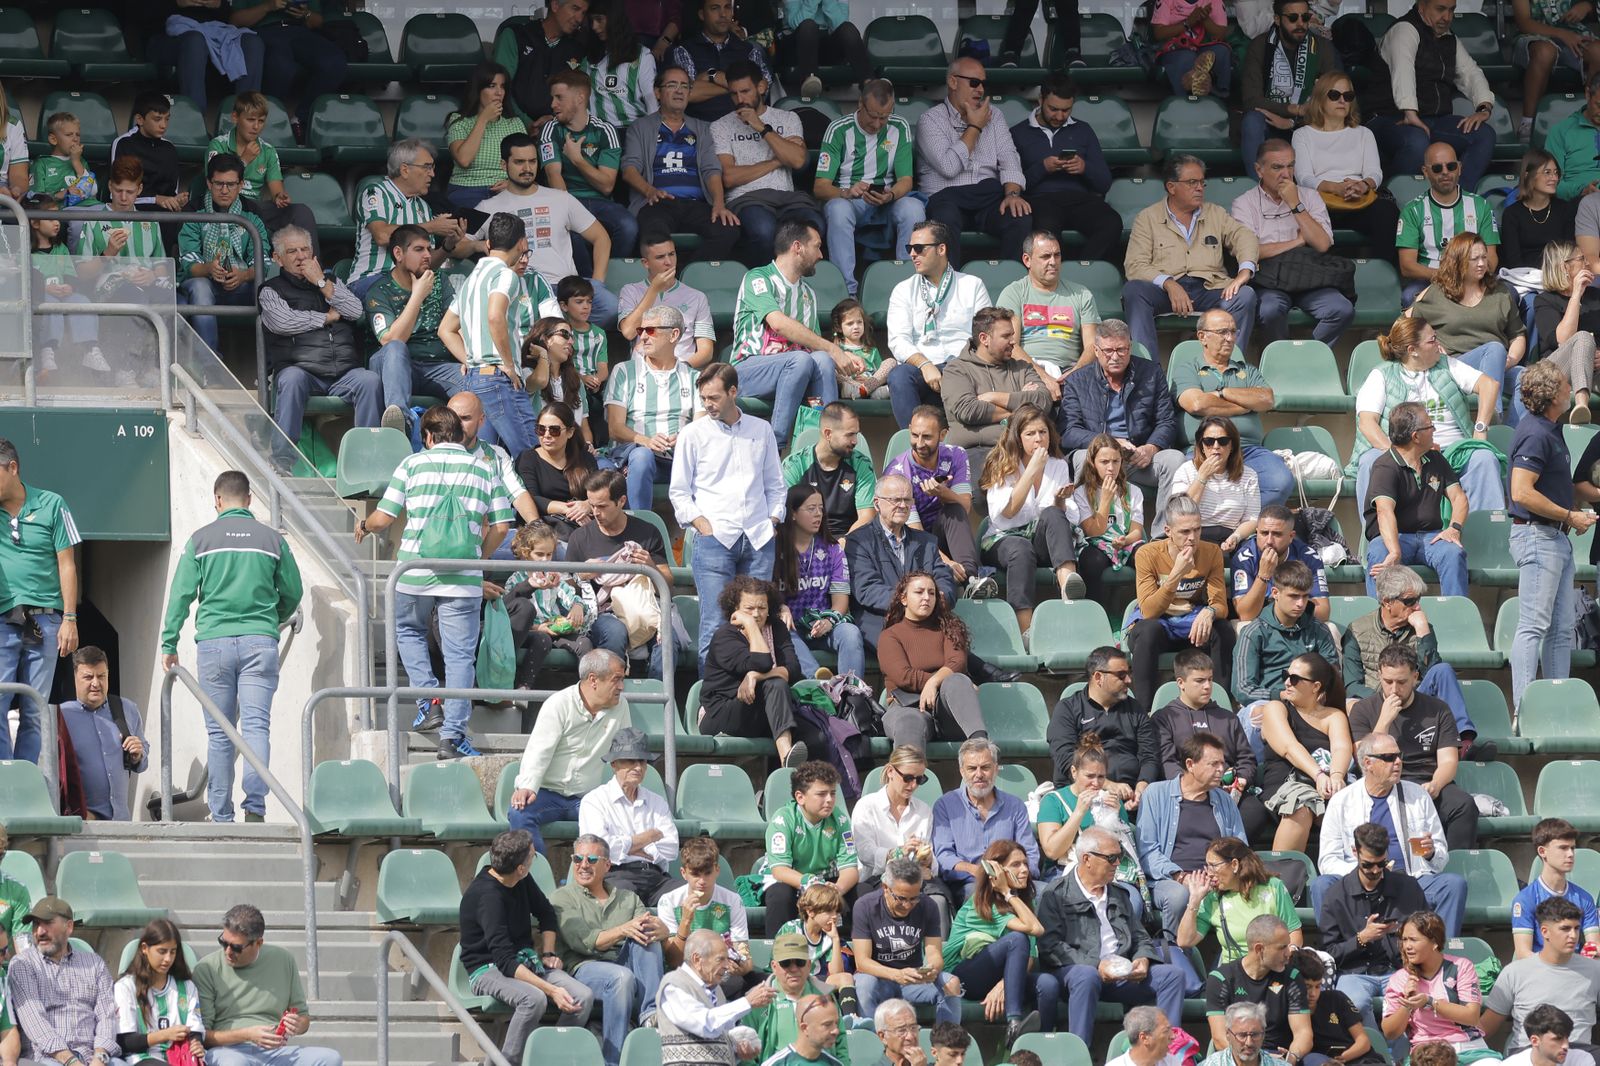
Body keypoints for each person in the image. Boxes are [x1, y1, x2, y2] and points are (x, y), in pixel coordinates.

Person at [356, 405, 513, 760]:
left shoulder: (411, 464)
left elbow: (383, 518)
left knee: (408, 633)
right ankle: (453, 736)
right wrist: (479, 558)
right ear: (459, 433)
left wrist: (364, 527)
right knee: (460, 658)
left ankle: (430, 702)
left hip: (413, 573)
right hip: (462, 579)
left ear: (427, 436)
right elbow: (502, 526)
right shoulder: (486, 468)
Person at [160, 470, 301, 823]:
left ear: (218, 500)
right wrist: (272, 619)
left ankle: (221, 815)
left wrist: (169, 641)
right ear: (250, 499)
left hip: (214, 645)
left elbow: (181, 595)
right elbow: (293, 592)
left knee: (220, 732)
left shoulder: (201, 540)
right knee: (256, 727)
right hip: (260, 642)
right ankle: (255, 808)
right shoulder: (272, 540)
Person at [670, 363, 786, 660]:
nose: (707, 404)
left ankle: (755, 699)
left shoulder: (762, 429)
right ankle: (711, 703)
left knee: (760, 625)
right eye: (704, 398)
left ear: (733, 392)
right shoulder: (692, 434)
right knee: (715, 625)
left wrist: (772, 520)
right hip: (715, 540)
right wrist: (703, 525)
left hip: (759, 540)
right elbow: (679, 493)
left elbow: (775, 485)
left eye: (714, 397)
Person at [1037, 826, 1187, 1045]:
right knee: (1086, 976)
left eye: (1120, 857)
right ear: (1087, 859)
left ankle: (1168, 1052)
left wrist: (1143, 958)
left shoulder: (1118, 893)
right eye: (1111, 858)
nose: (1117, 863)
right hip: (1075, 974)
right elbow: (1050, 946)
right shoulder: (1056, 893)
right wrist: (1097, 965)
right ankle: (1079, 1055)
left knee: (1173, 976)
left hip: (1120, 973)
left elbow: (1140, 937)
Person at [460, 829, 594, 1066]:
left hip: (524, 961)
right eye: (533, 855)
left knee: (582, 996)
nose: (536, 857)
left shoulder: (520, 879)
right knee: (534, 999)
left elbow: (546, 913)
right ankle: (503, 1063)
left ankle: (550, 1059)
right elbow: (505, 961)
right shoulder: (487, 897)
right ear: (520, 868)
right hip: (486, 969)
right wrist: (551, 990)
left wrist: (548, 952)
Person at [259, 226, 390, 468]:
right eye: (292, 251)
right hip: (302, 370)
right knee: (290, 379)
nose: (300, 256)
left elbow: (355, 311)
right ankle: (281, 461)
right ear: (278, 258)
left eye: (304, 249)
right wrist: (325, 318)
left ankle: (366, 464)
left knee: (370, 381)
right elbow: (283, 322)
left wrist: (321, 283)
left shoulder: (330, 281)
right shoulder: (271, 289)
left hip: (343, 372)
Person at [1510, 361, 1599, 710]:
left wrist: (1572, 517)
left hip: (1556, 537)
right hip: (1538, 536)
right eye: (1566, 383)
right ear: (1552, 395)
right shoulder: (1534, 432)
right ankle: (1524, 707)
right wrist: (1568, 514)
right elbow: (1521, 492)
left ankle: (1555, 705)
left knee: (1562, 629)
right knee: (1533, 626)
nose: (1571, 388)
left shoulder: (1551, 429)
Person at [1315, 733, 1467, 937]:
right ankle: (1341, 954)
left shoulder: (1418, 796)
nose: (1398, 762)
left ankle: (1439, 959)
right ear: (1367, 763)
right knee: (1321, 885)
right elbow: (1327, 860)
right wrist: (1363, 871)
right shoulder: (1342, 801)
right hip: (1360, 883)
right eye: (1389, 757)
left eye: (1399, 755)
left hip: (1409, 880)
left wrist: (1431, 853)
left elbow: (1440, 857)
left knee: (1453, 885)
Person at [1353, 318, 1504, 515]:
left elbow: (1489, 385)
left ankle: (1486, 538)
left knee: (1484, 458)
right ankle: (1378, 538)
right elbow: (1367, 423)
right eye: (1432, 340)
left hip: (1453, 450)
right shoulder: (1381, 375)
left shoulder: (1446, 365)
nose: (1438, 345)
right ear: (1412, 350)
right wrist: (1398, 454)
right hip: (1405, 452)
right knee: (1370, 461)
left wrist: (1480, 429)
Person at [1122, 154, 1260, 362]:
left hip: (1210, 289)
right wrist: (1168, 283)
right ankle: (1148, 374)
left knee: (1245, 295)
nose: (1200, 188)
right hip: (1165, 293)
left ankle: (1229, 368)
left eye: (1202, 182)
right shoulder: (1147, 218)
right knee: (1133, 291)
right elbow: (1134, 265)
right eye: (1192, 182)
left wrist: (1244, 272)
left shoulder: (1215, 213)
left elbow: (1245, 237)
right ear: (1171, 187)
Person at [729, 219, 852, 451]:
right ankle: (776, 446)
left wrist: (844, 362)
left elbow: (818, 350)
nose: (821, 255)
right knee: (803, 359)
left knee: (822, 360)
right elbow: (778, 324)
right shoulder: (758, 278)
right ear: (798, 247)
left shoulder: (808, 294)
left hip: (796, 373)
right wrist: (833, 348)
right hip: (747, 370)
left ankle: (829, 446)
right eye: (816, 246)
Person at [475, 137, 617, 332]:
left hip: (566, 287)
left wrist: (597, 283)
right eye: (519, 162)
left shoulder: (561, 198)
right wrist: (481, 245)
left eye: (532, 161)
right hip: (523, 288)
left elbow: (601, 237)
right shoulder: (488, 207)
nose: (527, 168)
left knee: (610, 307)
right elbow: (459, 246)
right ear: (503, 164)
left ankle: (564, 337)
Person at [1059, 321, 1186, 538]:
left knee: (1175, 460)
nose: (1115, 356)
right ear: (1096, 351)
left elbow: (1166, 421)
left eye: (1121, 350)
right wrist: (1109, 442)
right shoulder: (1078, 381)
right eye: (1108, 351)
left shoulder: (1151, 373)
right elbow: (1069, 432)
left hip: (1137, 458)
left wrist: (1151, 447)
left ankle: (1163, 538)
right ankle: (1086, 534)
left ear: (1130, 347)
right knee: (1081, 457)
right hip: (1098, 459)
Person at [551, 835, 669, 1066]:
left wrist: (663, 930)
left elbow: (650, 930)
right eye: (578, 858)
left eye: (592, 859)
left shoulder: (628, 898)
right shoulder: (561, 897)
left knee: (648, 939)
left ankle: (650, 1016)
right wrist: (624, 929)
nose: (583, 865)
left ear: (608, 865)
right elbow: (585, 942)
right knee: (620, 978)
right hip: (584, 967)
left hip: (623, 962)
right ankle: (613, 1061)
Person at [1348, 645, 1478, 851]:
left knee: (1463, 804)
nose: (1393, 689)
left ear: (1415, 677)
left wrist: (1435, 784)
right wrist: (1384, 721)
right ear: (1379, 675)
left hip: (1426, 782)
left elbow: (1448, 761)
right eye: (1387, 681)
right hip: (1384, 783)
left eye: (1401, 682)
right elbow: (1364, 761)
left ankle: (1456, 867)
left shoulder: (1438, 709)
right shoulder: (1363, 710)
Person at [1342, 567, 1479, 750]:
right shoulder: (1358, 629)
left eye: (1418, 600)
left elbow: (1433, 673)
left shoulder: (1422, 627)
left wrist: (1423, 632)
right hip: (1377, 703)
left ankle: (1463, 743)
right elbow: (1352, 685)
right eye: (1410, 601)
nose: (1417, 607)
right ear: (1387, 602)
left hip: (1414, 697)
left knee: (1443, 670)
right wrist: (1386, 697)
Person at [1232, 140, 1353, 347]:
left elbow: (1322, 244)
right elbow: (1251, 252)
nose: (1286, 174)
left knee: (1342, 309)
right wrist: (1298, 241)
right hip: (1270, 280)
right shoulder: (1244, 204)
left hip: (1309, 277)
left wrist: (1295, 204)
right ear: (1259, 170)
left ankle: (1305, 360)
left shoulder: (1310, 197)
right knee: (1269, 310)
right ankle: (1278, 360)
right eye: (1277, 167)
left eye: (1290, 166)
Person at [979, 404, 1088, 631]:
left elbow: (1070, 515)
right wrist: (1030, 471)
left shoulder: (1058, 465)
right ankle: (1024, 630)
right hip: (1003, 540)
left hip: (1041, 541)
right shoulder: (1001, 463)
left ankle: (1069, 586)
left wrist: (1059, 500)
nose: (1038, 439)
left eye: (1043, 432)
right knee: (1020, 548)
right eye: (1030, 434)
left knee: (1053, 513)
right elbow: (1007, 512)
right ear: (1018, 438)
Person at [915, 56, 1032, 267]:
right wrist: (975, 127)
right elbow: (949, 167)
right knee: (944, 220)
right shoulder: (930, 119)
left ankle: (1006, 288)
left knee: (1019, 217)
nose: (980, 90)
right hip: (947, 197)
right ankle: (950, 291)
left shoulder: (994, 115)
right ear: (953, 82)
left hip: (986, 197)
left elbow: (1009, 158)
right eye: (974, 83)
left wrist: (1013, 194)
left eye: (983, 84)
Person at [619, 64, 741, 262]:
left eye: (685, 86)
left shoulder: (702, 128)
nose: (679, 91)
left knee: (728, 230)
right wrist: (650, 191)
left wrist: (719, 205)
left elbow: (712, 169)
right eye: (672, 85)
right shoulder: (640, 127)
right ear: (657, 93)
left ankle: (685, 276)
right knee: (655, 236)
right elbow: (629, 169)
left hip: (696, 204)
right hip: (657, 203)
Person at [507, 649, 626, 852]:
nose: (622, 687)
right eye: (617, 680)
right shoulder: (558, 703)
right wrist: (527, 786)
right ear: (593, 680)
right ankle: (539, 876)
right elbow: (539, 750)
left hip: (588, 797)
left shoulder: (621, 706)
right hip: (547, 793)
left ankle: (594, 879)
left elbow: (625, 751)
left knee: (620, 818)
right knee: (519, 813)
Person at [1371, 0, 1497, 190]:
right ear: (1421, 7)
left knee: (1484, 135)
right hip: (1389, 118)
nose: (1447, 17)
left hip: (1434, 120)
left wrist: (1484, 106)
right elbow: (1403, 71)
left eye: (1451, 10)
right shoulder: (1404, 29)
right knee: (1416, 142)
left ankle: (1456, 200)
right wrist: (1410, 112)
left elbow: (1471, 73)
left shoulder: (1449, 38)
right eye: (1440, 9)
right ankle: (1396, 198)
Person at [1174, 310, 1294, 508]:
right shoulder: (1188, 368)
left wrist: (1221, 393)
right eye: (1222, 332)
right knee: (1196, 491)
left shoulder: (1247, 370)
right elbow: (1196, 404)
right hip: (1206, 449)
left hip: (1249, 450)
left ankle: (1242, 526)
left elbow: (1266, 399)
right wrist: (1245, 405)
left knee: (1280, 482)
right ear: (1202, 337)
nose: (1230, 338)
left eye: (1233, 332)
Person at [194, 903, 339, 1066]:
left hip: (275, 1052)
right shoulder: (207, 968)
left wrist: (298, 1025)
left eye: (236, 947)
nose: (227, 951)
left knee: (330, 1058)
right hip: (228, 1051)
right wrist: (247, 1035)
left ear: (258, 943)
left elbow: (304, 1018)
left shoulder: (283, 960)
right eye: (223, 942)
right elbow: (203, 1036)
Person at [815, 81, 924, 297]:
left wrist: (890, 194)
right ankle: (846, 293)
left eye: (884, 117)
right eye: (872, 115)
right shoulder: (838, 130)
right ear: (860, 104)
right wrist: (846, 193)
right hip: (849, 200)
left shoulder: (899, 126)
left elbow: (906, 180)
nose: (877, 123)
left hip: (887, 199)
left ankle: (909, 291)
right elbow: (820, 187)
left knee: (913, 207)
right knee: (838, 209)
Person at [1126, 497, 1233, 713]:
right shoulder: (1147, 553)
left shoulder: (1211, 552)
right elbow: (1148, 611)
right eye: (1185, 532)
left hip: (1192, 624)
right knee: (1148, 631)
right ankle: (1143, 712)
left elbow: (1221, 604)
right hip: (1160, 623)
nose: (1192, 538)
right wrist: (1176, 574)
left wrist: (1210, 612)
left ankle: (1221, 708)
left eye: (1197, 530)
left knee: (1223, 629)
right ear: (1168, 530)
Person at [1318, 821, 1430, 1027]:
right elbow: (1329, 953)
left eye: (1381, 863)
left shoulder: (1408, 888)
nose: (1375, 870)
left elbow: (1429, 934)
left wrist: (1406, 939)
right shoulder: (1336, 896)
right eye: (1368, 864)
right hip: (1354, 973)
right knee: (1355, 1006)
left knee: (1407, 1003)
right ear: (1355, 852)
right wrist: (1362, 938)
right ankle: (1377, 1054)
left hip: (1399, 970)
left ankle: (1397, 1056)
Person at [1361, 399, 1474, 601]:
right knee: (1379, 555)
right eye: (1430, 426)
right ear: (1416, 436)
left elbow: (1458, 498)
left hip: (1431, 537)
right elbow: (1384, 512)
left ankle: (1456, 617)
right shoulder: (1385, 466)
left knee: (1453, 553)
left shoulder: (1436, 459)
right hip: (1395, 537)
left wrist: (1454, 528)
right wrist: (1395, 551)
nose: (1434, 429)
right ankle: (1378, 622)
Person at [699, 576, 817, 769]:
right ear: (735, 608)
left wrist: (755, 676)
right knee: (777, 684)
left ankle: (787, 785)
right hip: (721, 713)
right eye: (749, 609)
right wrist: (751, 626)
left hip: (764, 710)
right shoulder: (725, 637)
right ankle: (786, 756)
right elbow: (762, 661)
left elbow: (794, 670)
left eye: (762, 608)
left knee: (816, 737)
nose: (756, 614)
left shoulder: (776, 628)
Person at [1138, 731, 1250, 936]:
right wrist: (1181, 877)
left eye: (1222, 763)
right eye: (1213, 764)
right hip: (1168, 880)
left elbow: (1241, 849)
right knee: (1178, 895)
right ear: (1190, 764)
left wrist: (1222, 876)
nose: (1221, 770)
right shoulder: (1155, 794)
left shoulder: (1225, 801)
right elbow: (1147, 852)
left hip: (1217, 879)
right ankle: (1173, 954)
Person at [884, 221, 994, 427]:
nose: (912, 254)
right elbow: (898, 340)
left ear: (941, 249)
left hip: (963, 365)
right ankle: (916, 446)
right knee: (898, 375)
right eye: (910, 249)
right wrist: (925, 365)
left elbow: (986, 334)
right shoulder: (903, 290)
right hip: (922, 367)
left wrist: (960, 366)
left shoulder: (972, 285)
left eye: (919, 248)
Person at [712, 61, 823, 264]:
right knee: (764, 230)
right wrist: (777, 160)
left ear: (761, 87)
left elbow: (798, 161)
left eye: (745, 91)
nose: (739, 99)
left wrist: (761, 127)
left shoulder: (788, 118)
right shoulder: (720, 126)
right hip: (747, 199)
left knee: (814, 226)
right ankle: (762, 284)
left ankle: (797, 285)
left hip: (788, 198)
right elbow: (729, 177)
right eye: (734, 94)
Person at [1412, 232, 1527, 423]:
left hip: (1498, 365)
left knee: (1526, 379)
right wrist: (1431, 346)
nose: (1482, 263)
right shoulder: (1436, 293)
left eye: (1484, 257)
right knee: (1494, 348)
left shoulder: (1500, 291)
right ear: (1457, 261)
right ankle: (1492, 418)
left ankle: (1510, 441)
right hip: (1455, 366)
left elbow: (1517, 335)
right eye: (1474, 259)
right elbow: (1408, 329)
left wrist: (1511, 359)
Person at [347, 139, 478, 302]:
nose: (432, 174)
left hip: (411, 284)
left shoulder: (423, 207)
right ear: (405, 169)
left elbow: (427, 264)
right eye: (427, 167)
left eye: (433, 167)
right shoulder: (376, 192)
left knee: (459, 297)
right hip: (372, 279)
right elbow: (381, 235)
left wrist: (448, 245)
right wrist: (431, 227)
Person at [1155, 649, 1267, 838]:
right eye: (1199, 681)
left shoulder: (1228, 718)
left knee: (1256, 810)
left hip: (1228, 791)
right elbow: (1167, 763)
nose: (1207, 686)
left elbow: (1246, 759)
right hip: (1187, 794)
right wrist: (1195, 787)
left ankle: (1227, 855)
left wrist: (1241, 781)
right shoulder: (1165, 718)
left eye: (1210, 679)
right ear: (1181, 683)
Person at [366, 226, 467, 433]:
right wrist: (417, 295)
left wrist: (470, 359)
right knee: (395, 348)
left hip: (438, 367)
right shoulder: (379, 290)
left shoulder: (440, 281)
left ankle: (471, 448)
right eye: (419, 249)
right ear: (398, 253)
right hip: (396, 367)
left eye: (429, 249)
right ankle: (399, 427)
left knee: (478, 381)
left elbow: (456, 326)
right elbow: (392, 339)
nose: (428, 255)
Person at [1292, 72, 1401, 264]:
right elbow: (1303, 177)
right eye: (1335, 95)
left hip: (1358, 201)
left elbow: (1375, 173)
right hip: (1320, 203)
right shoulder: (1302, 135)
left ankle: (1384, 275)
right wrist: (1336, 188)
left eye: (1348, 96)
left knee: (1387, 212)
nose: (1342, 100)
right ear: (1320, 98)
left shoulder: (1363, 133)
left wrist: (1363, 185)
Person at [1008, 76, 1120, 264]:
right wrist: (1042, 168)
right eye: (1053, 109)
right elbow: (1013, 186)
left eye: (1066, 110)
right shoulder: (1018, 133)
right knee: (1047, 228)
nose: (1060, 116)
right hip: (1040, 200)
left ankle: (1080, 274)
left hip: (1080, 200)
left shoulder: (1083, 130)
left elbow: (1104, 183)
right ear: (1041, 100)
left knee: (1112, 223)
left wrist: (1084, 168)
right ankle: (1056, 279)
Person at [883, 406, 990, 599]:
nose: (919, 443)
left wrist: (943, 493)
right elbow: (913, 530)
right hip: (909, 541)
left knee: (954, 508)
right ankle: (970, 579)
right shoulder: (898, 471)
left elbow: (965, 508)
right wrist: (946, 563)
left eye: (927, 437)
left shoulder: (956, 455)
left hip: (946, 536)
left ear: (943, 434)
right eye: (914, 435)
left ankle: (971, 582)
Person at [944, 840, 1044, 1044]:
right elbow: (1036, 929)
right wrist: (1006, 892)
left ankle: (1042, 1045)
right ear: (996, 871)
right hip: (964, 976)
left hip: (999, 976)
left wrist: (1004, 985)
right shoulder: (983, 902)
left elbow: (1030, 957)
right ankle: (1014, 1023)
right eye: (1016, 865)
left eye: (1025, 863)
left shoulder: (1023, 904)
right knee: (1016, 938)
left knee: (1048, 984)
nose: (1025, 869)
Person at [603, 303, 700, 511]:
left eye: (650, 330)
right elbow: (614, 428)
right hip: (634, 457)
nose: (643, 337)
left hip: (677, 461)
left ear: (674, 335)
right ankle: (639, 525)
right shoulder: (624, 372)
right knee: (643, 455)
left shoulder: (693, 377)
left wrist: (682, 437)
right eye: (640, 331)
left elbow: (701, 427)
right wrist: (646, 441)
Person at [844, 474, 958, 649]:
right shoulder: (858, 541)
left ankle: (986, 672)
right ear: (877, 503)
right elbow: (866, 589)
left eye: (907, 500)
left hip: (925, 616)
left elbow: (944, 577)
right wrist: (910, 602)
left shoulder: (926, 541)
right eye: (896, 500)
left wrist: (940, 597)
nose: (903, 505)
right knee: (916, 648)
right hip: (880, 619)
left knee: (954, 641)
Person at [538, 69, 639, 266]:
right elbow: (554, 177)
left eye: (559, 97)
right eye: (553, 98)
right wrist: (571, 214)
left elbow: (607, 185)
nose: (553, 104)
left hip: (600, 202)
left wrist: (577, 159)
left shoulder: (605, 130)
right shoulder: (550, 130)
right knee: (572, 237)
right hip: (566, 200)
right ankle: (586, 286)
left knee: (629, 226)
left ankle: (608, 275)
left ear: (580, 98)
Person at [878, 571, 988, 751]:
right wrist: (937, 681)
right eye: (919, 592)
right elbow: (904, 677)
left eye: (931, 593)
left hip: (947, 711)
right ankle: (907, 776)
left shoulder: (949, 628)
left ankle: (982, 752)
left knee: (958, 680)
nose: (926, 598)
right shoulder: (889, 636)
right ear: (904, 599)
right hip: (906, 707)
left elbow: (957, 662)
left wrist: (935, 683)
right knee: (909, 722)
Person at [1255, 651, 1352, 853]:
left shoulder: (1333, 716)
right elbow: (1289, 747)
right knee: (1302, 806)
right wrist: (1318, 775)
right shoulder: (1275, 708)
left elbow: (1341, 747)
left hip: (1326, 785)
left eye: (1295, 679)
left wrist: (1336, 776)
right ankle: (1282, 877)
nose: (1287, 682)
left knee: (1351, 806)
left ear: (1316, 686)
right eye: (1286, 676)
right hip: (1287, 786)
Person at [1233, 562, 1339, 744]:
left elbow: (1333, 675)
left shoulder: (1319, 630)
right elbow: (1242, 688)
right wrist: (1280, 695)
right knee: (1257, 715)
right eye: (1294, 596)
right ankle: (1255, 771)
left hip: (1312, 703)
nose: (1300, 604)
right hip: (1269, 702)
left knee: (1347, 712)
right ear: (1275, 593)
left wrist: (1313, 696)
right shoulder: (1254, 632)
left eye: (1305, 597)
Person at [851, 856, 962, 1025]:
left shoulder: (928, 906)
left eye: (914, 898)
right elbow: (862, 962)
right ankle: (873, 1041)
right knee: (864, 984)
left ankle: (944, 1044)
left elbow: (934, 953)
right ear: (885, 888)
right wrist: (896, 975)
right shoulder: (865, 906)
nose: (908, 905)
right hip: (880, 981)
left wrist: (932, 969)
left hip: (913, 980)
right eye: (901, 898)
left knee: (951, 983)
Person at [1482, 897, 1600, 1055]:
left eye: (1577, 928)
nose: (1573, 935)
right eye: (1565, 929)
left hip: (1579, 1051)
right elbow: (1486, 1027)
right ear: (1545, 931)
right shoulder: (1515, 972)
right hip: (1530, 1053)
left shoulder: (1595, 970)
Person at [8, 897, 118, 1066]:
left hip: (93, 1057)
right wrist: (71, 1061)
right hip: (48, 1059)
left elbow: (107, 1016)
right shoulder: (24, 964)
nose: (39, 932)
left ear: (69, 927)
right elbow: (35, 1024)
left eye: (47, 923)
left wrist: (100, 1057)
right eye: (36, 925)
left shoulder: (94, 964)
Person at [178, 153, 269, 355]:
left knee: (268, 290)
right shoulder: (194, 209)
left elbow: (263, 261)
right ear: (209, 183)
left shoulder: (252, 211)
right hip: (204, 285)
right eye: (219, 184)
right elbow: (188, 262)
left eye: (231, 184)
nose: (225, 190)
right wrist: (209, 268)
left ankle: (269, 367)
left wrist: (243, 275)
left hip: (242, 285)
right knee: (200, 287)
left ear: (241, 184)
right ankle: (210, 368)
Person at [773, 484, 866, 681]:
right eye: (811, 509)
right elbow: (763, 591)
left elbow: (840, 602)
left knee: (850, 632)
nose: (818, 514)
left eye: (821, 508)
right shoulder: (773, 548)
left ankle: (852, 694)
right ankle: (822, 686)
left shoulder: (833, 549)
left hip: (822, 623)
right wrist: (780, 606)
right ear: (793, 513)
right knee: (783, 633)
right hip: (789, 628)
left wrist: (829, 621)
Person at [755, 761, 859, 936]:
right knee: (780, 895)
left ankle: (856, 954)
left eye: (833, 793)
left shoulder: (840, 820)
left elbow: (850, 870)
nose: (829, 800)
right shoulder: (783, 820)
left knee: (862, 892)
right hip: (791, 881)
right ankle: (778, 954)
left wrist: (837, 889)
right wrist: (809, 883)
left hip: (826, 882)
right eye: (821, 794)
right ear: (800, 797)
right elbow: (780, 871)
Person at [945, 308, 1054, 473]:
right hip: (977, 451)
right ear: (984, 339)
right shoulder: (956, 369)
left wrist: (994, 397)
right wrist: (1021, 410)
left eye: (1012, 335)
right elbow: (968, 409)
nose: (1013, 341)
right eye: (1006, 336)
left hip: (1023, 451)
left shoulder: (1022, 368)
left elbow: (1043, 401)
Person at [576, 728, 678, 904]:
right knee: (624, 899)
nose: (638, 767)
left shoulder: (657, 801)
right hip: (615, 875)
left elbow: (671, 848)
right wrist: (649, 837)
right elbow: (600, 851)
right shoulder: (594, 801)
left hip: (656, 878)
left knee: (690, 896)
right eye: (631, 760)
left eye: (642, 761)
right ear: (614, 764)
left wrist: (627, 846)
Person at [204, 93, 316, 249]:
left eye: (261, 121)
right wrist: (243, 160)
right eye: (250, 120)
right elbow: (215, 183)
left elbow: (276, 188)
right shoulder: (218, 144)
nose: (256, 126)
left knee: (301, 212)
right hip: (225, 202)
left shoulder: (268, 150)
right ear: (235, 118)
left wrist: (279, 197)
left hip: (255, 207)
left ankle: (314, 269)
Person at [1380, 911, 1494, 1060]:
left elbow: (1471, 1017)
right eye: (1404, 940)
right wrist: (1407, 1005)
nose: (1407, 946)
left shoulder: (1461, 967)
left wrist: (1430, 1002)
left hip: (1466, 1047)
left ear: (1434, 942)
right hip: (1425, 1053)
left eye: (1413, 940)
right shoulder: (1400, 978)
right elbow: (1390, 1032)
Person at [1240, 0, 1342, 167]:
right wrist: (1292, 109)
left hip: (1308, 123)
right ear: (1277, 19)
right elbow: (1251, 100)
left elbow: (1332, 99)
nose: (1300, 24)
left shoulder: (1322, 47)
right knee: (1252, 120)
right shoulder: (1260, 45)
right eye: (1293, 18)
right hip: (1270, 121)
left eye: (1305, 17)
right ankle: (1258, 189)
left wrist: (1294, 121)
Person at [1048, 645, 1158, 799]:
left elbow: (1149, 755)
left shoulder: (1135, 709)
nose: (1129, 680)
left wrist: (1142, 787)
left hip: (1130, 797)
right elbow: (1064, 756)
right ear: (1098, 677)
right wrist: (1106, 785)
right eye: (1121, 675)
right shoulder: (1068, 708)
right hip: (1083, 797)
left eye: (1129, 673)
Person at [1396, 143, 1500, 306]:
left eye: (1451, 166)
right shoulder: (1413, 210)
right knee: (1410, 297)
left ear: (1459, 168)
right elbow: (1407, 266)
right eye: (1437, 168)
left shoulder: (1481, 206)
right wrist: (1447, 276)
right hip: (1431, 280)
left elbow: (1491, 257)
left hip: (1474, 277)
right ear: (1425, 172)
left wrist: (1470, 276)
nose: (1445, 172)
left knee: (1511, 294)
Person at [1203, 917, 1316, 1064]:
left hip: (1282, 1058)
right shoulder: (1221, 979)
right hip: (1239, 1056)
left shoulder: (1292, 977)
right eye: (1282, 947)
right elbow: (1219, 1038)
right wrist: (1260, 1059)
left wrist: (1290, 1058)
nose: (1289, 953)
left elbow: (1303, 1033)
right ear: (1259, 949)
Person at [998, 229, 1103, 384]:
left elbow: (1092, 346)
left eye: (1057, 255)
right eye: (1045, 256)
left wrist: (1076, 374)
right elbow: (1010, 345)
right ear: (1027, 260)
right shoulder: (1013, 293)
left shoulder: (1081, 294)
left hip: (1071, 371)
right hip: (1026, 372)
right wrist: (1044, 377)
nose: (1053, 262)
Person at [655, 928, 775, 1063]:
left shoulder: (717, 991)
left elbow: (715, 1043)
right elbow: (705, 1024)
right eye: (720, 959)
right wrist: (747, 1002)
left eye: (727, 959)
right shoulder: (674, 985)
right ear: (697, 959)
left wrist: (737, 1050)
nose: (726, 966)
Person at [57, 647, 146, 823]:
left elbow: (142, 763)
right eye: (88, 677)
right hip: (81, 825)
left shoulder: (127, 709)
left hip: (121, 822)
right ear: (75, 678)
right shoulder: (60, 716)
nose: (96, 683)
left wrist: (138, 755)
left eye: (101, 676)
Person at [1178, 841, 1303, 965]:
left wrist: (1289, 955)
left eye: (1214, 866)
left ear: (1234, 864)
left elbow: (1294, 932)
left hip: (1273, 967)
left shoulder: (1274, 887)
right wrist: (1194, 900)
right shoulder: (1213, 898)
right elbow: (1184, 941)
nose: (1209, 873)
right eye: (1207, 867)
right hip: (1235, 974)